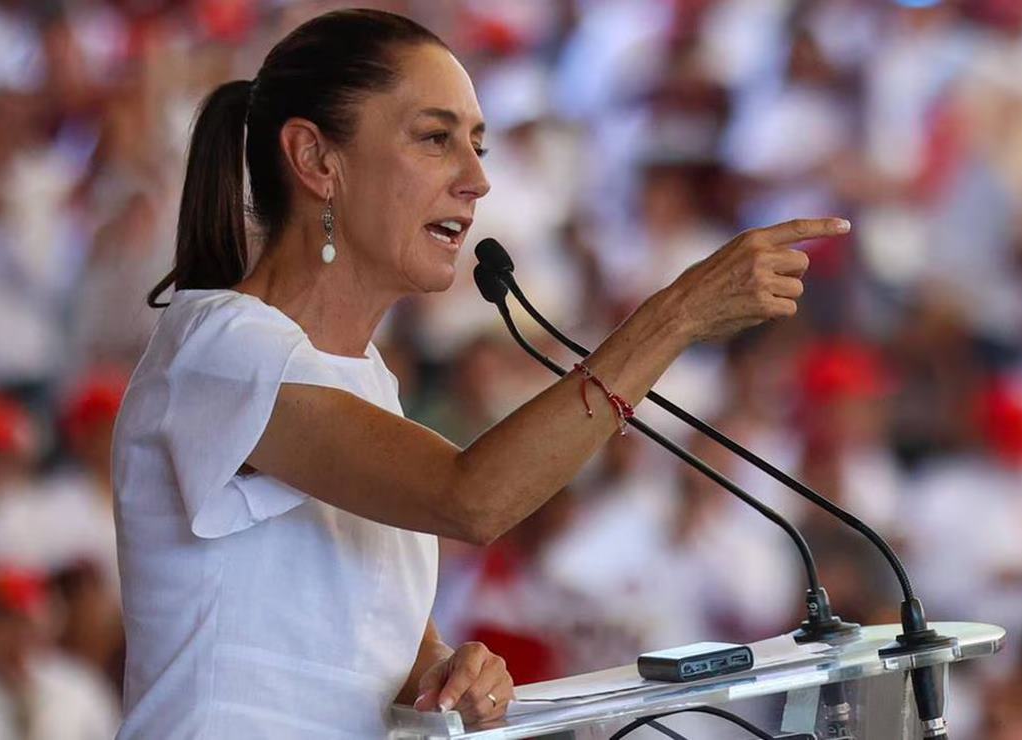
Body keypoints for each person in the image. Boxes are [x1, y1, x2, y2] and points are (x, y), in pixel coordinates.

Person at [112, 9, 848, 738]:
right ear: (314, 160)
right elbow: (472, 499)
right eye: (435, 139)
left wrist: (442, 667)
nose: (477, 180)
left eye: (478, 145)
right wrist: (676, 315)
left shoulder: (361, 378)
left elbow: (347, 635)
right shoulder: (221, 350)